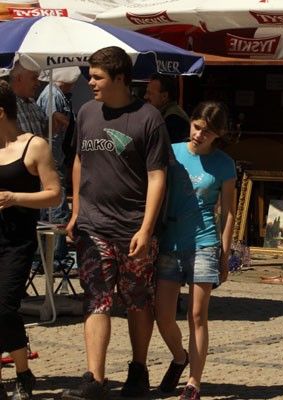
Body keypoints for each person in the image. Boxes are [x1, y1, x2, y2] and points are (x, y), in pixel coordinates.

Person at [61, 47, 169, 400]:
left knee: (137, 300)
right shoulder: (86, 112)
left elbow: (157, 176)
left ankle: (138, 369)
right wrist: (76, 210)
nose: (90, 82)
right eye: (90, 76)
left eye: (97, 77)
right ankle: (95, 379)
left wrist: (147, 228)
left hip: (133, 227)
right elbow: (79, 161)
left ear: (120, 79)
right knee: (96, 298)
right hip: (93, 225)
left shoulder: (148, 118)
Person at [155, 101, 236, 399]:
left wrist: (224, 253)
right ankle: (180, 357)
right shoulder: (171, 152)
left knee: (197, 315)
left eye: (207, 132)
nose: (199, 135)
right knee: (163, 316)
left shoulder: (224, 164)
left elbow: (228, 212)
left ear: (218, 135)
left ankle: (193, 383)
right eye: (197, 126)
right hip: (170, 242)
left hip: (204, 243)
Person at [0, 80, 61, 400]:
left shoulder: (34, 146)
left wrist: (15, 197)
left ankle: (23, 372)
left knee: (4, 308)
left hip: (17, 242)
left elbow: (54, 195)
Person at [37, 67, 81, 259]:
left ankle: (53, 254)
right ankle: (55, 256)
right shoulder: (53, 95)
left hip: (57, 159)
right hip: (53, 161)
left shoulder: (57, 94)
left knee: (54, 206)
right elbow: (52, 131)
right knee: (55, 206)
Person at [9, 61, 68, 137]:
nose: (38, 83)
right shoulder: (7, 106)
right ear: (19, 78)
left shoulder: (33, 104)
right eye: (34, 78)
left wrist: (52, 122)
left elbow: (44, 134)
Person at [144, 73, 189, 144]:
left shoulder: (174, 120)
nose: (145, 97)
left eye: (149, 93)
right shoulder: (166, 114)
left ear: (164, 96)